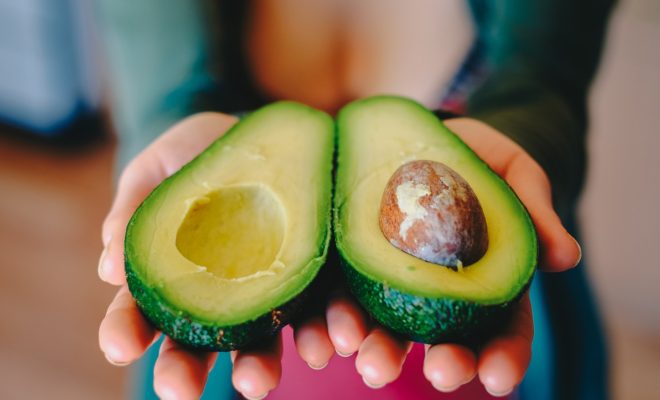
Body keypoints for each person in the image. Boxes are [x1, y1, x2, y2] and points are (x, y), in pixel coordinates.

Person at [94, 1, 614, 399]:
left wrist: (530, 139)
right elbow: (152, 59)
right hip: (242, 358)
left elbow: (548, 82)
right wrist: (169, 131)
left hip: (489, 342)